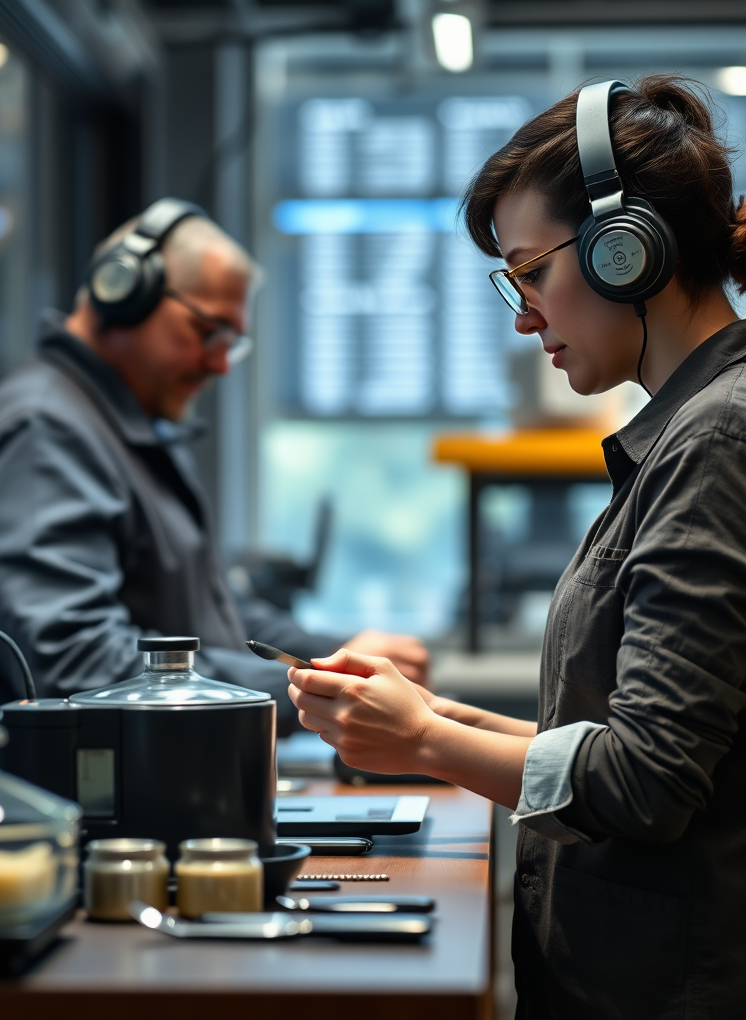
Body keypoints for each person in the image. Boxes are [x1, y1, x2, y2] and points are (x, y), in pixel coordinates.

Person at [285, 76, 746, 1017]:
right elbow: (624, 738)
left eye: (531, 271)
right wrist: (435, 717)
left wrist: (425, 741)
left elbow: (645, 780)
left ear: (626, 252)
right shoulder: (690, 429)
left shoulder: (716, 440)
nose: (524, 315)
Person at [0, 198, 428, 730]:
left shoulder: (123, 423)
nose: (221, 364)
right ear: (122, 292)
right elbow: (75, 662)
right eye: (209, 331)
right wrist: (311, 688)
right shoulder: (45, 431)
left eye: (231, 343)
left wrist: (340, 661)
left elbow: (219, 611)